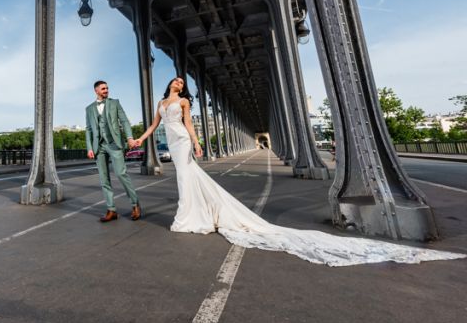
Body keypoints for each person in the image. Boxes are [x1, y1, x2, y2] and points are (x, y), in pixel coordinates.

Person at [134, 77, 465, 266]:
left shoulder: (187, 105)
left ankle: (192, 216)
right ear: (169, 87)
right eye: (176, 81)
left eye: (181, 82)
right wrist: (140, 138)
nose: (179, 84)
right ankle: (194, 214)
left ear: (183, 90)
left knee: (188, 177)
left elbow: (189, 124)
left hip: (182, 141)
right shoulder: (162, 105)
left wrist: (198, 143)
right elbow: (153, 126)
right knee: (185, 178)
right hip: (170, 143)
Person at [85, 80, 140, 222]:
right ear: (96, 90)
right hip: (99, 147)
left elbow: (125, 121)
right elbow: (88, 129)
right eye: (103, 88)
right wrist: (90, 148)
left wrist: (129, 137)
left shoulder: (115, 103)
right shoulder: (89, 109)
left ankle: (135, 204)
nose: (106, 90)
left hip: (115, 144)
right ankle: (111, 210)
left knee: (121, 174)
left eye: (107, 88)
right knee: (104, 179)